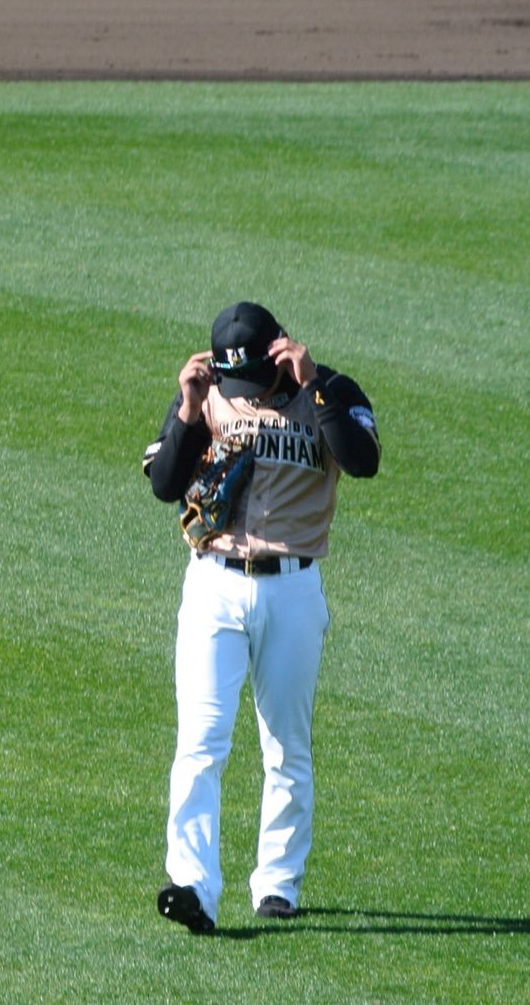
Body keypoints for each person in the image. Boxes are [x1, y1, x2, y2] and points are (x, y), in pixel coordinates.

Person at [142, 301, 380, 934]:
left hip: (294, 589)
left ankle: (278, 882)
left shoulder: (329, 389)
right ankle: (192, 885)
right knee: (200, 742)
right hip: (213, 585)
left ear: (282, 351)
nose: (243, 391)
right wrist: (190, 409)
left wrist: (317, 391)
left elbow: (363, 460)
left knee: (286, 745)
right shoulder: (210, 392)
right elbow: (166, 482)